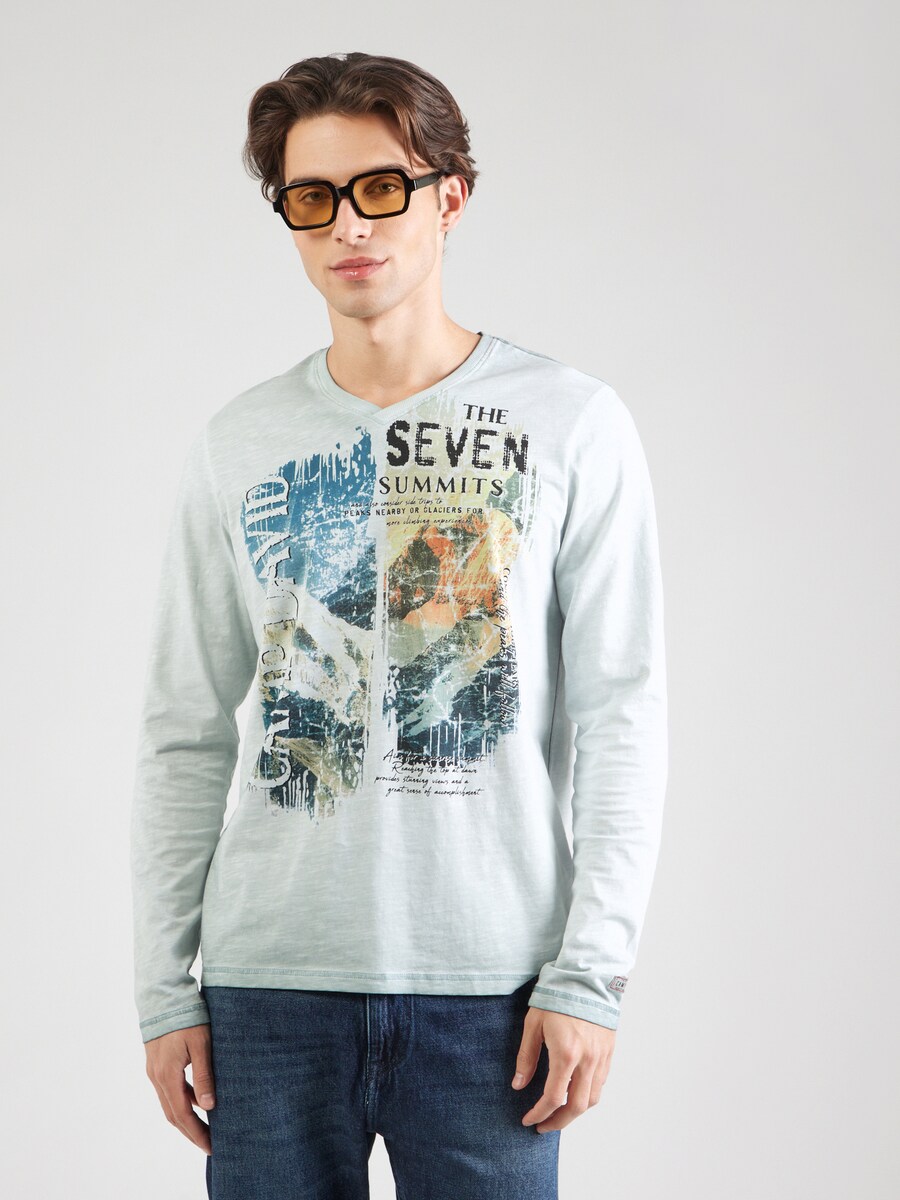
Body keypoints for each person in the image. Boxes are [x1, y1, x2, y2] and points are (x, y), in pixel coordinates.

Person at [130, 50, 668, 1200]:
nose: (348, 225)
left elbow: (625, 712)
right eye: (311, 197)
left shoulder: (572, 424)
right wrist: (167, 991)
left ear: (450, 197)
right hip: (268, 994)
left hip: (493, 998)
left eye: (382, 187)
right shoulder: (237, 443)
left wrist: (591, 975)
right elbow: (184, 730)